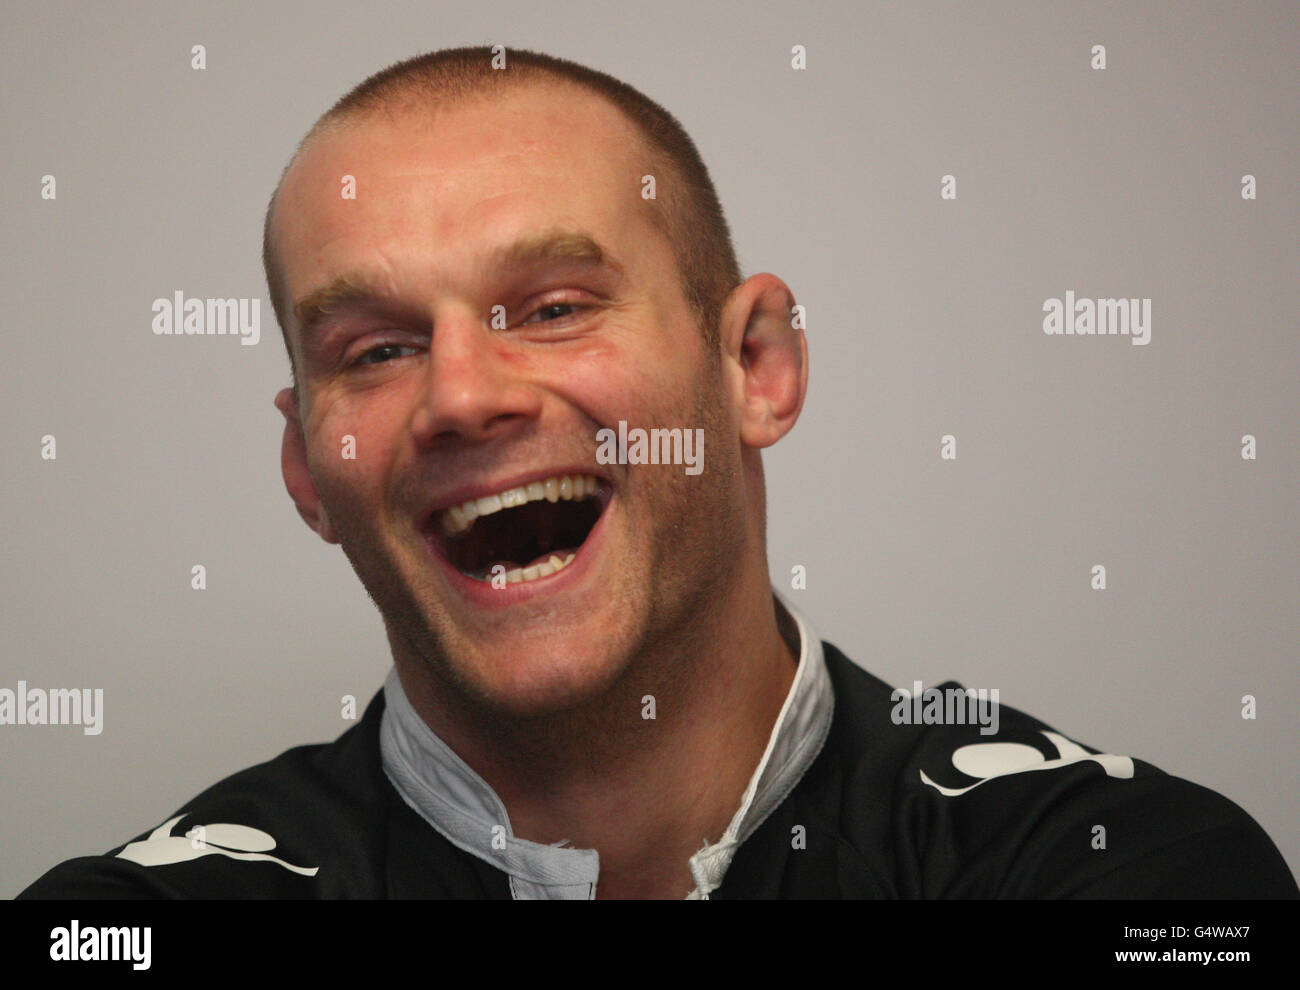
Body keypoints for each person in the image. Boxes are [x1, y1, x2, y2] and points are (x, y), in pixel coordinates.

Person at [19, 46, 1296, 900]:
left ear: (755, 365)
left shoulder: (1121, 874)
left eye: (556, 305)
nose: (463, 395)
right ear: (308, 467)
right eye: (382, 347)